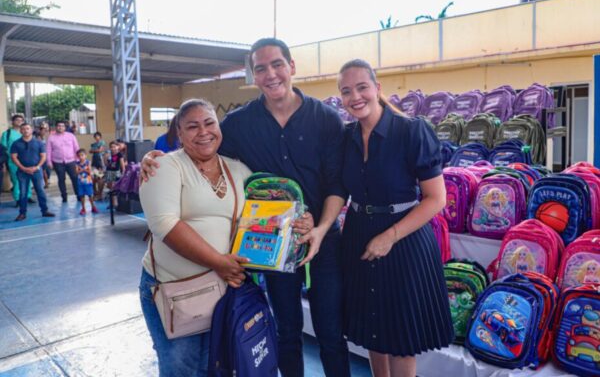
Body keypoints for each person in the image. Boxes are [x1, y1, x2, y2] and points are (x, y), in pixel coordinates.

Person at [142, 38, 350, 377]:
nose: (271, 74)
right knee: (286, 331)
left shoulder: (326, 119)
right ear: (254, 75)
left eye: (277, 64)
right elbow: (202, 144)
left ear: (291, 66)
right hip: (271, 245)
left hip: (323, 241)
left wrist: (320, 228)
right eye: (261, 68)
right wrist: (157, 158)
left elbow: (337, 184)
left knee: (331, 333)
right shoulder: (238, 124)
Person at [337, 59, 453, 377]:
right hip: (358, 233)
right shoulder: (345, 137)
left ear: (377, 88)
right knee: (374, 328)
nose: (355, 97)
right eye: (346, 91)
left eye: (362, 87)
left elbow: (436, 199)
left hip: (404, 239)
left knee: (401, 337)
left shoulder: (411, 131)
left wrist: (389, 237)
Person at [138, 98, 253, 376]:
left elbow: (263, 214)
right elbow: (164, 224)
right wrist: (219, 262)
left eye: (209, 123)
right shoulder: (164, 167)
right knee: (182, 369)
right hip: (174, 292)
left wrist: (296, 219)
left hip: (222, 291)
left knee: (215, 366)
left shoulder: (238, 170)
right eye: (192, 126)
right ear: (179, 133)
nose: (203, 132)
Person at [10, 123, 55, 221]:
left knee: (40, 191)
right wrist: (23, 168)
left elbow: (43, 156)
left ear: (31, 130)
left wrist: (37, 167)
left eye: (27, 128)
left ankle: (45, 211)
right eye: (23, 129)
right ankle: (22, 213)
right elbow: (14, 157)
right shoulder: (16, 143)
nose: (25, 130)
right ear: (20, 131)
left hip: (36, 171)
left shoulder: (38, 143)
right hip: (22, 172)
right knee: (23, 193)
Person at [1, 114, 33, 204]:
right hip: (13, 161)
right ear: (12, 122)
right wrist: (4, 163)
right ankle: (18, 198)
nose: (19, 122)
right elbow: (3, 148)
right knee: (16, 180)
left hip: (27, 160)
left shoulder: (26, 132)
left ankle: (28, 196)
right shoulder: (7, 134)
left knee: (28, 179)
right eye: (17, 120)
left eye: (21, 120)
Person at [46, 120, 80, 203]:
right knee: (61, 179)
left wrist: (78, 160)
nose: (60, 127)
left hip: (71, 161)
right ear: (56, 127)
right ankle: (64, 196)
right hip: (58, 162)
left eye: (62, 126)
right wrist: (49, 162)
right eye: (59, 126)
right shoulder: (51, 137)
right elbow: (48, 150)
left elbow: (76, 148)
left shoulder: (71, 136)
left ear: (65, 127)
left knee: (75, 178)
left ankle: (79, 195)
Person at [75, 149, 98, 215]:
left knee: (90, 195)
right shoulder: (77, 163)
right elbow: (76, 172)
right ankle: (83, 208)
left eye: (82, 155)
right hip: (80, 182)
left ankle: (93, 207)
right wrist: (83, 170)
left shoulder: (88, 162)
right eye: (79, 156)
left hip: (88, 181)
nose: (81, 157)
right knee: (82, 195)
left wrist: (82, 170)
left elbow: (89, 171)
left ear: (85, 155)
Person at [104, 141, 126, 208]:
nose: (113, 148)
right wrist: (105, 158)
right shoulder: (109, 154)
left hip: (116, 172)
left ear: (118, 147)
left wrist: (123, 173)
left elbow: (122, 165)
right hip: (109, 171)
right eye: (111, 147)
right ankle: (112, 203)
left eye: (114, 146)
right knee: (110, 187)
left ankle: (115, 202)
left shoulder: (119, 155)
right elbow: (106, 164)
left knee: (113, 186)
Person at [90, 132, 107, 200]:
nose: (96, 137)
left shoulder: (102, 142)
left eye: (98, 136)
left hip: (100, 161)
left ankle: (100, 193)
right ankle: (95, 192)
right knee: (93, 178)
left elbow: (100, 150)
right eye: (95, 136)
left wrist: (94, 150)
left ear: (100, 137)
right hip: (94, 161)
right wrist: (95, 150)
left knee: (100, 177)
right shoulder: (93, 144)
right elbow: (90, 151)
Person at [37, 123, 52, 188]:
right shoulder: (37, 138)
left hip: (48, 156)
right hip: (40, 156)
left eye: (45, 130)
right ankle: (45, 182)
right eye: (42, 130)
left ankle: (47, 179)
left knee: (48, 169)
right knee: (43, 170)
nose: (44, 131)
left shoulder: (49, 137)